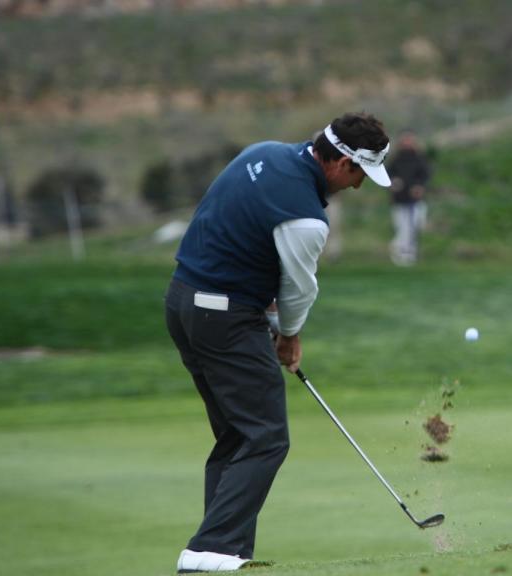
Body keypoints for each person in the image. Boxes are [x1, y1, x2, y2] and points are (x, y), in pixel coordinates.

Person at [164, 113, 391, 572]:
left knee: (237, 435)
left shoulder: (263, 152)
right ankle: (209, 549)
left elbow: (233, 229)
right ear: (342, 163)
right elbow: (299, 290)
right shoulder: (306, 219)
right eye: (360, 175)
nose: (358, 186)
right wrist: (288, 336)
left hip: (183, 301)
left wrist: (263, 311)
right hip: (224, 316)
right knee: (266, 436)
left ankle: (227, 552)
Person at [386, 130, 432, 266]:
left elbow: (425, 176)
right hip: (400, 199)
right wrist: (393, 183)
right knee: (402, 227)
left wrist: (419, 186)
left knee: (415, 225)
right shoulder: (395, 159)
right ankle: (400, 253)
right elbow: (388, 176)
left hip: (415, 200)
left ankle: (410, 252)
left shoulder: (420, 158)